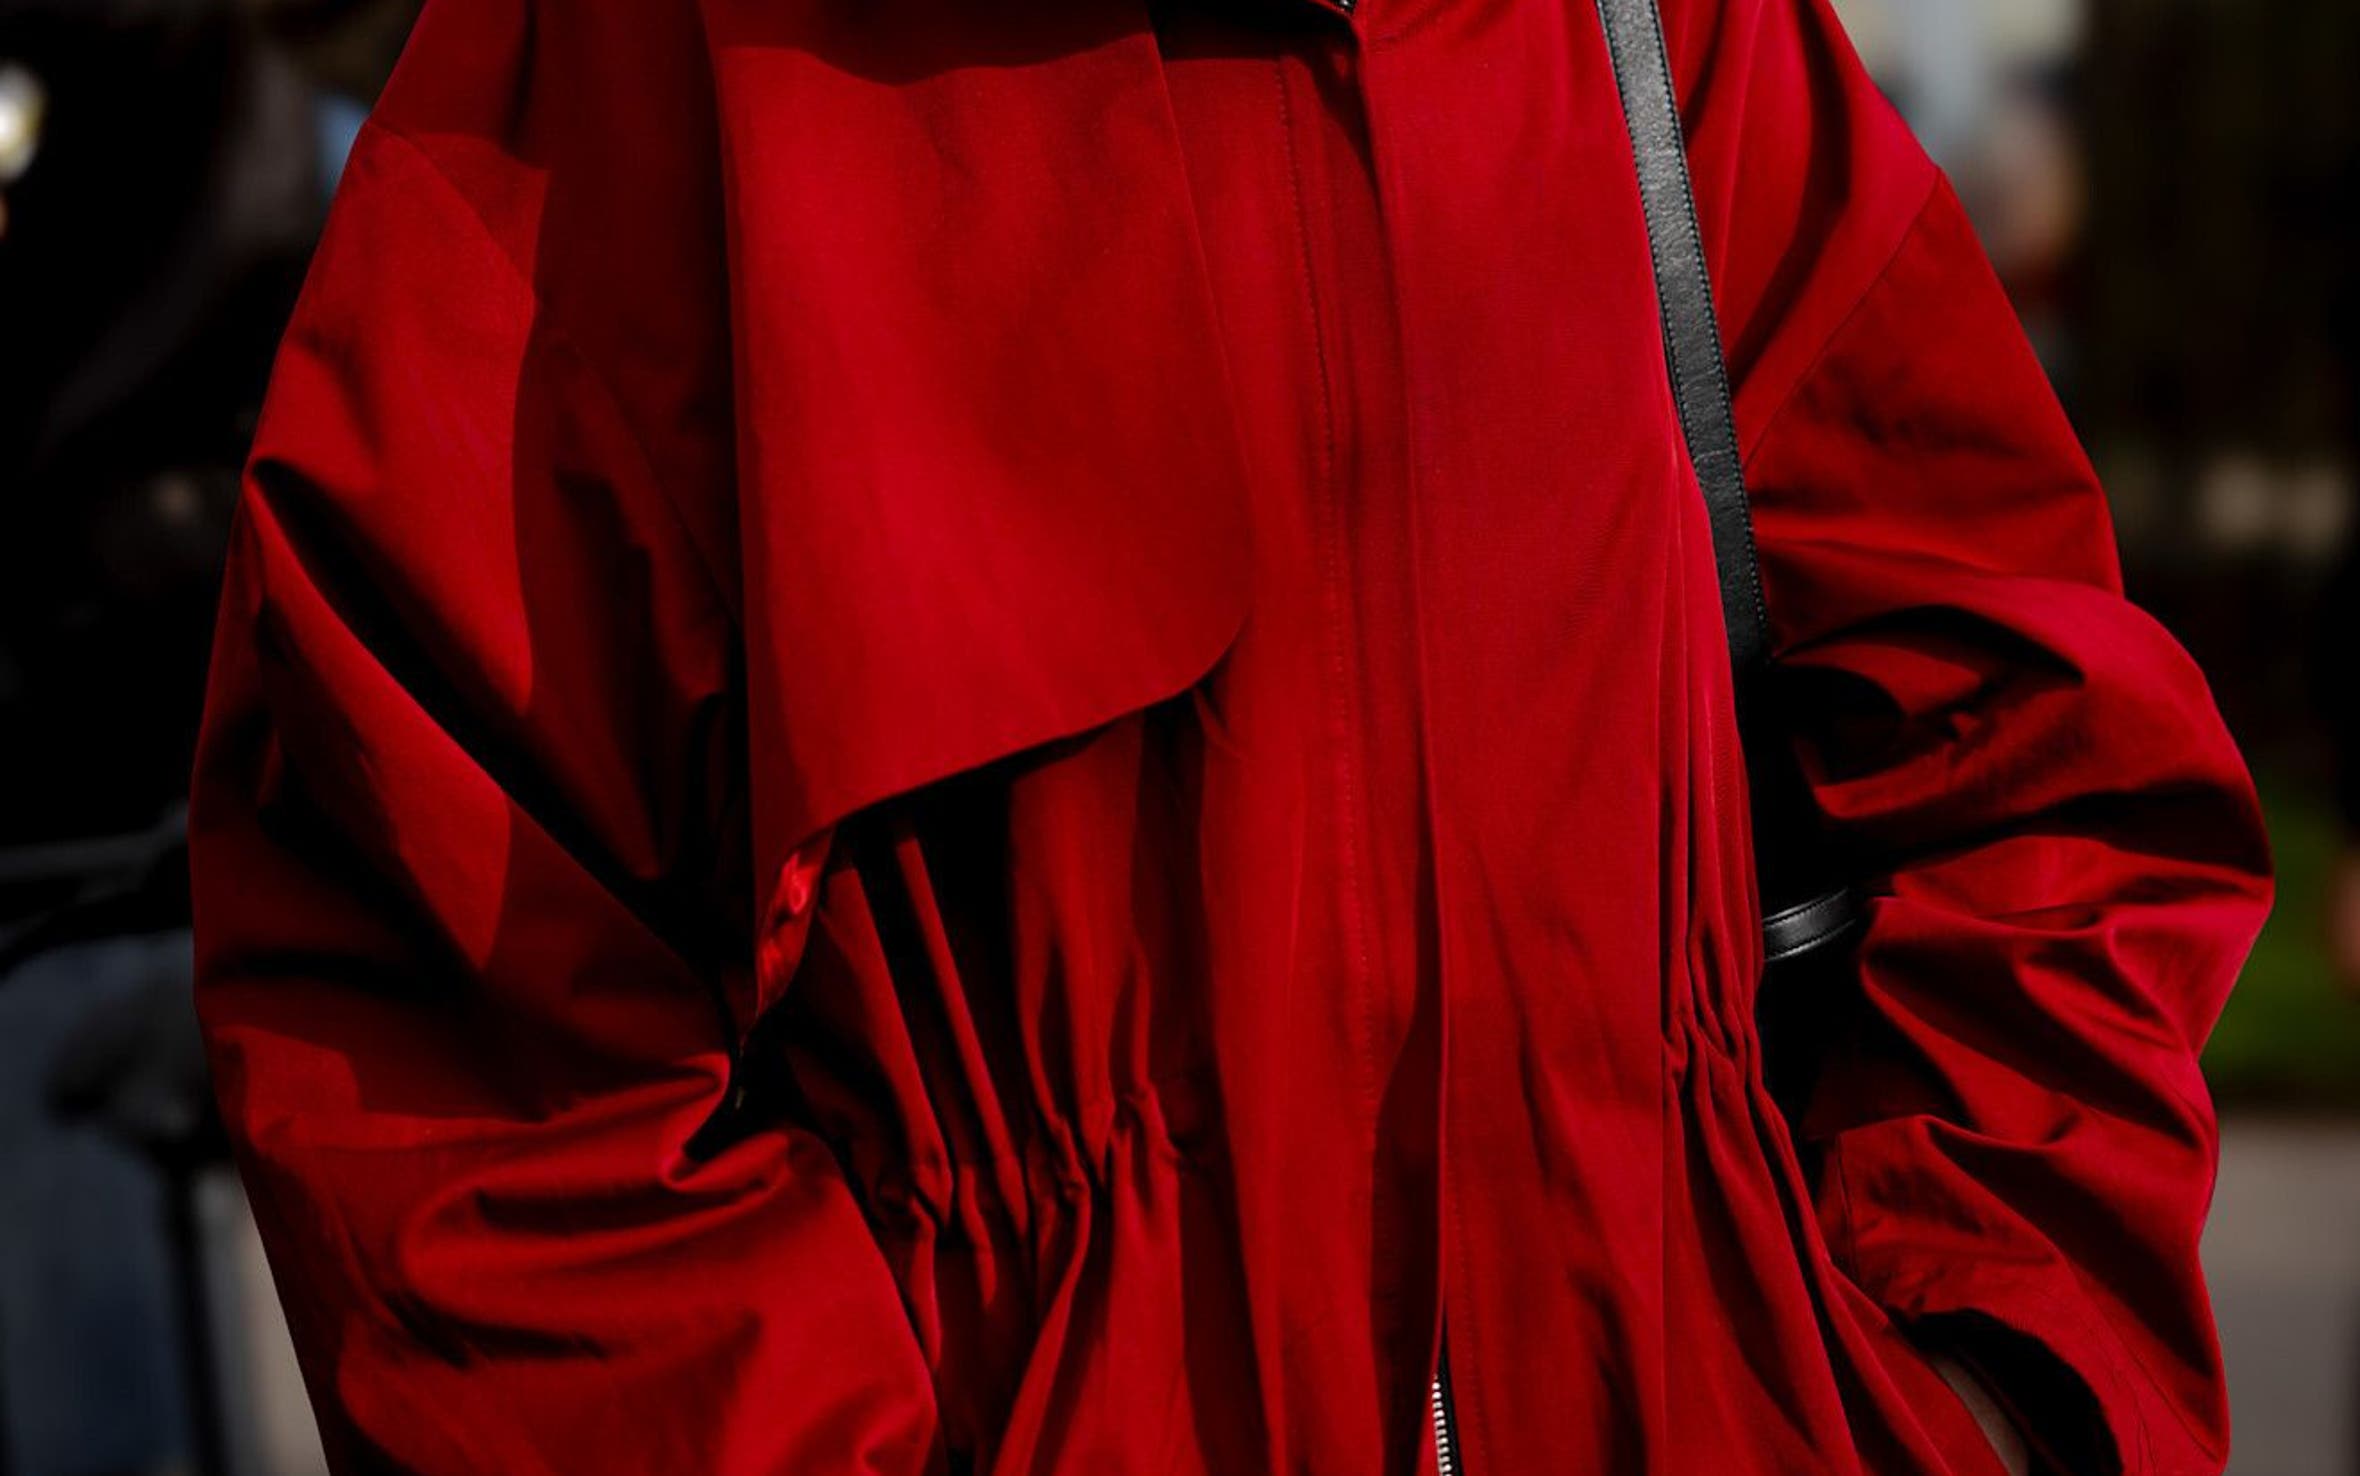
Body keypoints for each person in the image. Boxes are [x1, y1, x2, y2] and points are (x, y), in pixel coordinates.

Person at [184, 0, 2276, 1470]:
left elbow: (2045, 775)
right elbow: (438, 977)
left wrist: (1992, 1391)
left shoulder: (1658, 38)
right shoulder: (641, 68)